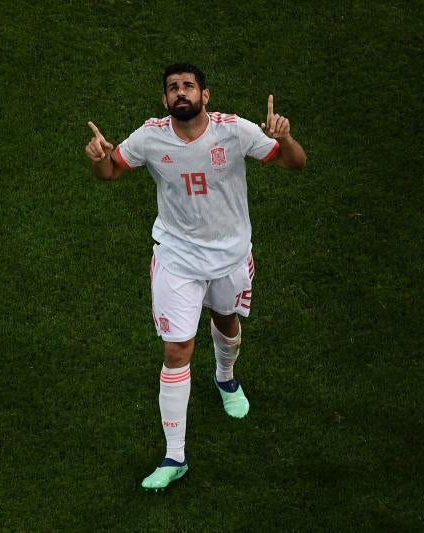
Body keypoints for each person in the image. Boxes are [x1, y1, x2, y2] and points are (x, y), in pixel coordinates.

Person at [85, 63, 306, 490]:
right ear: (165, 100)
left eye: (188, 86)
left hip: (230, 257)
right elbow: (111, 171)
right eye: (172, 88)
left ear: (205, 95)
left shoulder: (235, 130)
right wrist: (97, 160)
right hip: (177, 260)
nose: (180, 93)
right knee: (176, 350)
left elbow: (295, 164)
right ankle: (175, 456)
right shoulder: (150, 137)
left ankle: (225, 377)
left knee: (226, 321)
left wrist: (285, 139)